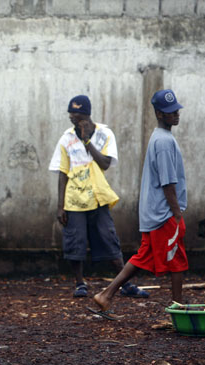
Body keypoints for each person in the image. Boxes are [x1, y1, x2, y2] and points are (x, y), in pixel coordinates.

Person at [93, 89, 188, 314]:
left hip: (155, 211)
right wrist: (177, 215)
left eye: (176, 110)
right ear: (159, 113)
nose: (175, 114)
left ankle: (105, 295)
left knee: (144, 256)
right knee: (177, 261)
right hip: (164, 213)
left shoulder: (160, 137)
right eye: (169, 111)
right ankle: (177, 311)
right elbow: (168, 182)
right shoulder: (164, 142)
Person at [49, 95, 148, 298]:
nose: (73, 121)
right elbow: (62, 172)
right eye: (71, 117)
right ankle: (80, 283)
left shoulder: (105, 134)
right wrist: (60, 207)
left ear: (87, 116)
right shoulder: (66, 138)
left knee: (109, 239)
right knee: (75, 243)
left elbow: (104, 163)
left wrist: (87, 141)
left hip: (98, 197)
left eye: (77, 117)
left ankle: (126, 284)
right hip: (75, 200)